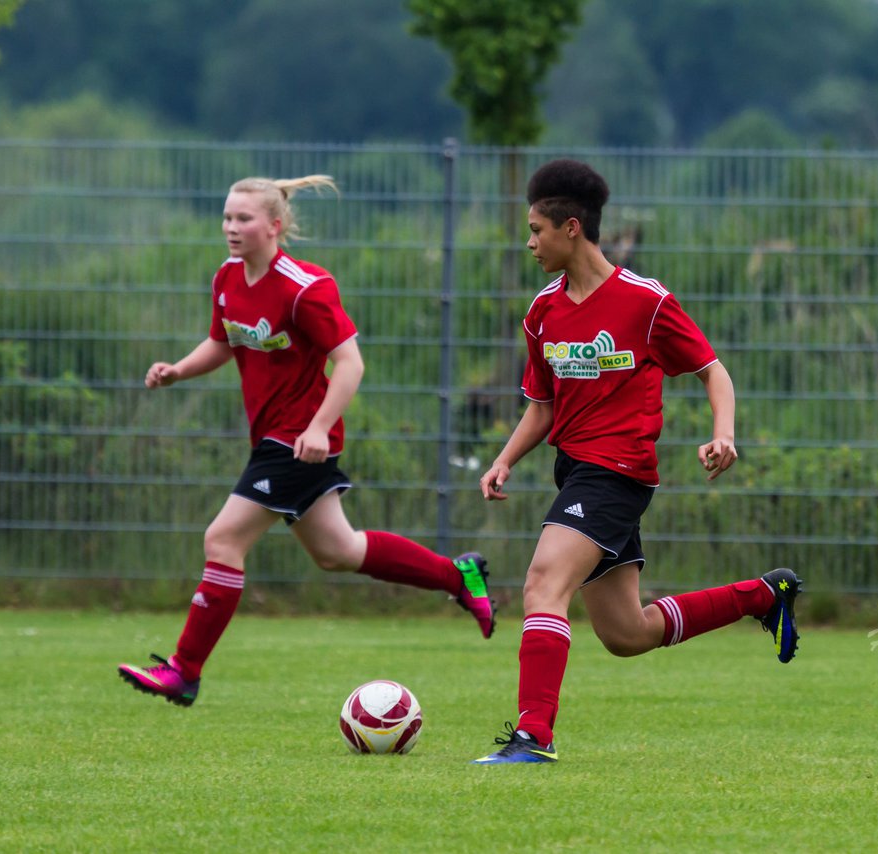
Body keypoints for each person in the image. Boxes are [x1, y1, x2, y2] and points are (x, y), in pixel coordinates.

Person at [118, 175, 495, 707]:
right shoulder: (226, 278)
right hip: (277, 440)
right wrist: (178, 370)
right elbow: (223, 340)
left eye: (244, 218)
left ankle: (185, 670)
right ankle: (458, 576)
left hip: (299, 440)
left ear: (274, 226)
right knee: (338, 551)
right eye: (227, 217)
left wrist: (318, 426)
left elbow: (350, 362)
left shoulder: (304, 286)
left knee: (222, 540)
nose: (231, 228)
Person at [471, 159, 801, 764]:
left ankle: (532, 737)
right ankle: (763, 595)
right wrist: (505, 459)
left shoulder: (643, 302)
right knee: (628, 634)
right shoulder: (542, 311)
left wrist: (722, 433)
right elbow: (540, 406)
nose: (529, 242)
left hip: (617, 473)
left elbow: (713, 371)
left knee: (544, 585)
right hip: (575, 471)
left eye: (536, 230)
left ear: (571, 228)